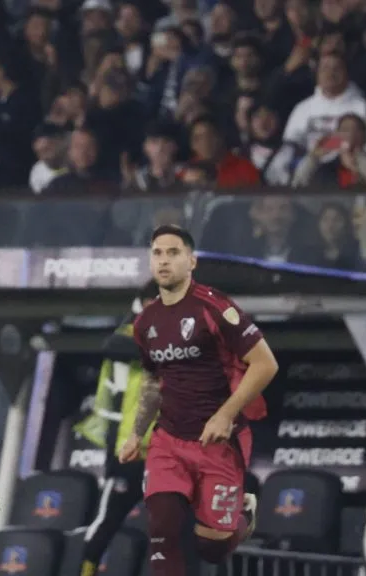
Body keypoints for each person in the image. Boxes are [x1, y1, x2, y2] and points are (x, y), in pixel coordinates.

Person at [123, 224, 279, 574]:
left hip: (219, 440)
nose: (164, 260)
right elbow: (152, 382)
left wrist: (225, 415)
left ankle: (242, 514)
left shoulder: (215, 307)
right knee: (161, 529)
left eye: (173, 253)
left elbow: (266, 365)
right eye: (157, 253)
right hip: (169, 439)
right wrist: (137, 432)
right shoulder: (144, 323)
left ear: (191, 261)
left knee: (212, 546)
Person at [75, 281, 158, 576]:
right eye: (152, 303)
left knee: (173, 530)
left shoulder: (185, 339)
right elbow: (113, 346)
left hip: (166, 456)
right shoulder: (129, 335)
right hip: (127, 453)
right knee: (106, 521)